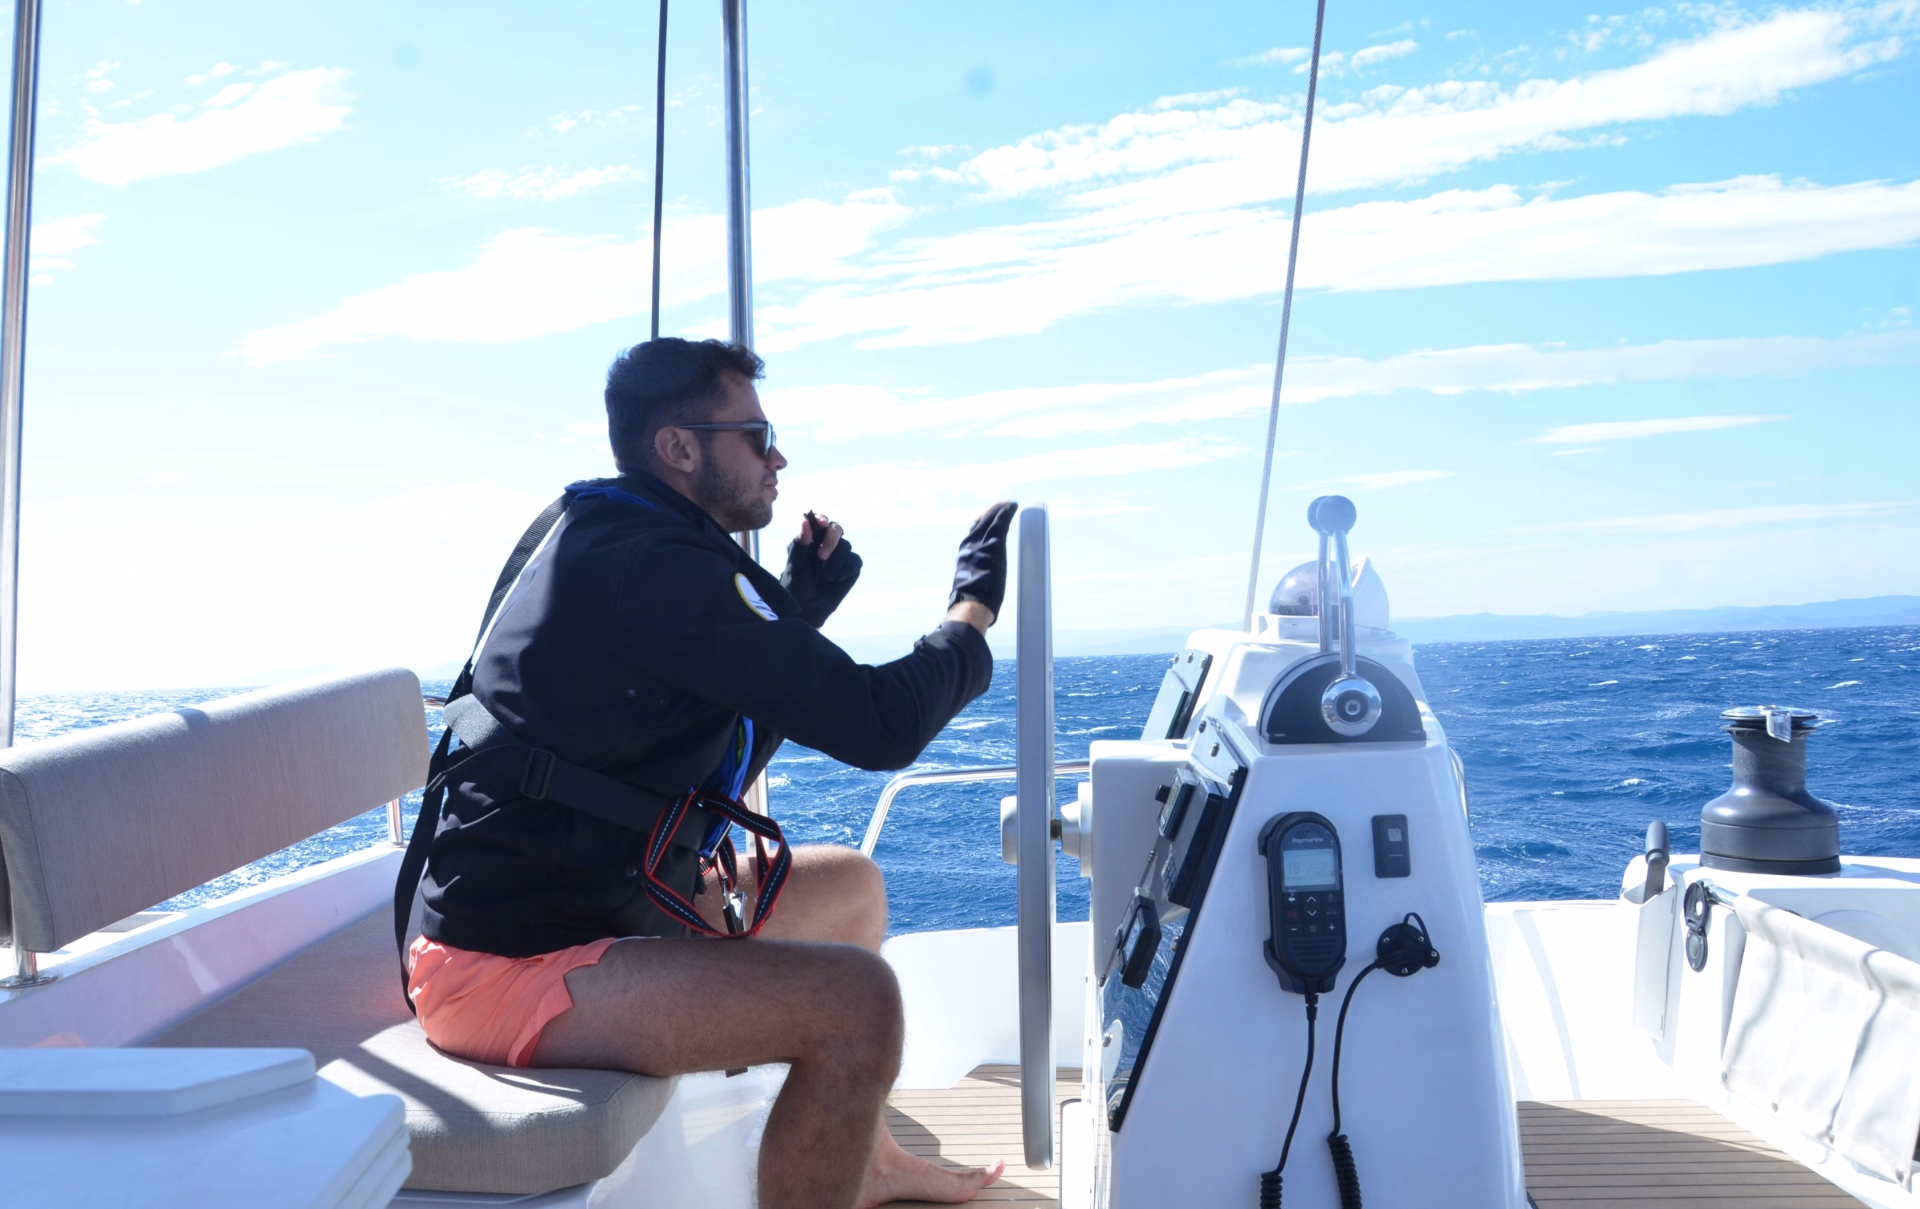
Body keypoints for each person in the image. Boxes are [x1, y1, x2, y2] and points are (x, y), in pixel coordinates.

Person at [404, 337, 1016, 1209]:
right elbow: (884, 725)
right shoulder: (646, 563)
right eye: (756, 435)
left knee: (851, 887)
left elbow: (700, 752)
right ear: (678, 448)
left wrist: (798, 606)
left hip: (604, 901)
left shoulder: (630, 538)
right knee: (856, 1005)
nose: (778, 457)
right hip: (502, 966)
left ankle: (865, 1160)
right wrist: (972, 612)